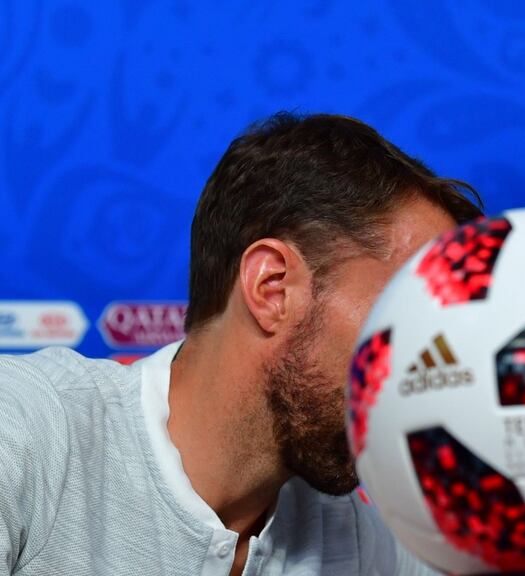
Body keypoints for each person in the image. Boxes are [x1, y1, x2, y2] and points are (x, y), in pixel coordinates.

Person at [0, 113, 482, 575]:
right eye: (410, 314)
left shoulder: (355, 537)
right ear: (272, 288)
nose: (430, 365)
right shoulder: (26, 433)